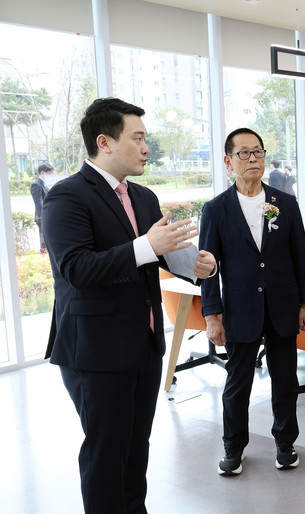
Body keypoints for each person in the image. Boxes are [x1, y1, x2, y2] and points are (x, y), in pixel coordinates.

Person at [42, 97, 216, 513]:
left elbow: (156, 253)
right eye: (137, 138)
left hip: (145, 343)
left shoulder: (143, 196)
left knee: (137, 449)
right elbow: (76, 268)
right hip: (96, 350)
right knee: (106, 454)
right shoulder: (66, 196)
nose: (145, 148)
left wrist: (195, 265)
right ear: (104, 142)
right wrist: (147, 246)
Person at [200, 128, 305, 476]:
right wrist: (212, 315)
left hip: (282, 306)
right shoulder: (216, 209)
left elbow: (298, 257)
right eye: (244, 153)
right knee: (237, 385)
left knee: (286, 380)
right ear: (228, 161)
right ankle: (233, 446)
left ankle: (285, 442)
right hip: (240, 308)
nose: (253, 159)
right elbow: (207, 267)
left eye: (258, 152)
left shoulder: (285, 203)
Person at [31, 162, 54, 250]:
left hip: (48, 216)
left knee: (49, 240)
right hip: (42, 217)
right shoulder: (36, 185)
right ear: (42, 173)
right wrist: (44, 217)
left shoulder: (46, 184)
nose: (51, 175)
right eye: (49, 173)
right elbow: (38, 203)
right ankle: (43, 254)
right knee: (44, 241)